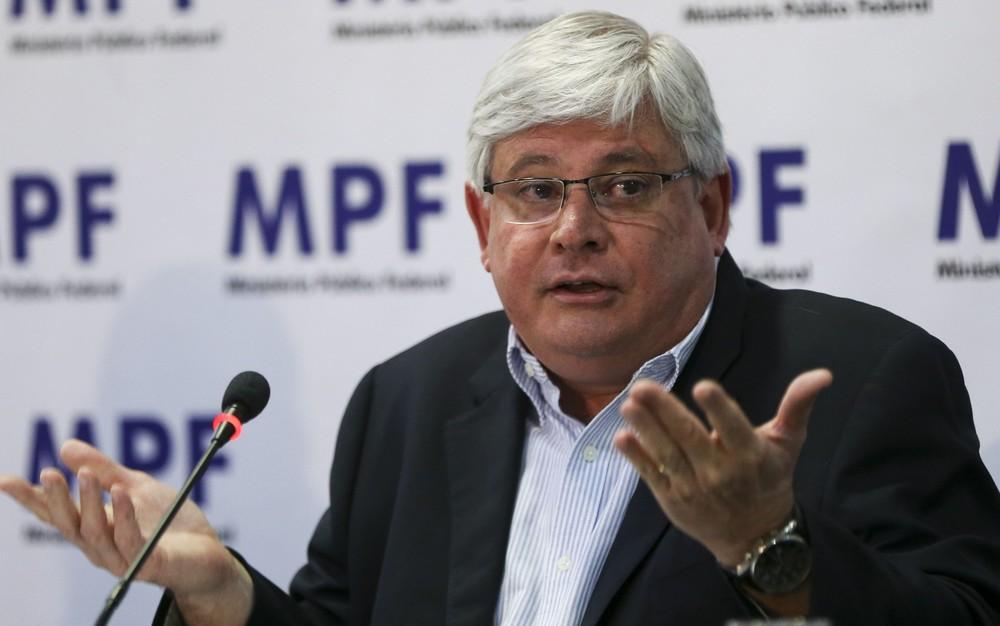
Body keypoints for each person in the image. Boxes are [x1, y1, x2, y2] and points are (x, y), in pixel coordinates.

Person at [3, 10, 1000, 625]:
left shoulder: (861, 380)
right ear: (484, 225)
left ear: (711, 208)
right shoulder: (406, 401)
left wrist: (769, 546)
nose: (575, 229)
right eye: (534, 190)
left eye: (624, 184)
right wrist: (220, 591)